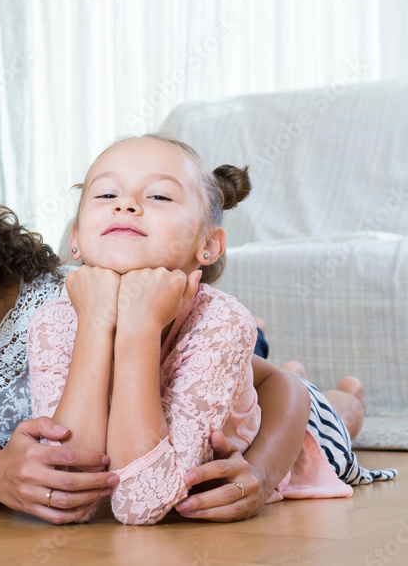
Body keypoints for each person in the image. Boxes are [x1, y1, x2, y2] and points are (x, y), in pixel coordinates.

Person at [0, 105, 312, 525]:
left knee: (318, 414)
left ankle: (340, 398)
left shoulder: (71, 295)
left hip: (191, 367)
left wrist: (264, 474)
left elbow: (281, 390)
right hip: (147, 423)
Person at [27, 135, 396, 525]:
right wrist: (95, 326)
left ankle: (347, 395)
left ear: (209, 245)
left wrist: (139, 329)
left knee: (339, 418)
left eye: (158, 197)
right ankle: (277, 375)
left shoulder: (222, 321)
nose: (125, 204)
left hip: (286, 424)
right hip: (232, 392)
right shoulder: (51, 321)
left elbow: (139, 504)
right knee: (270, 377)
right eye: (105, 195)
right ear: (75, 240)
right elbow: (68, 488)